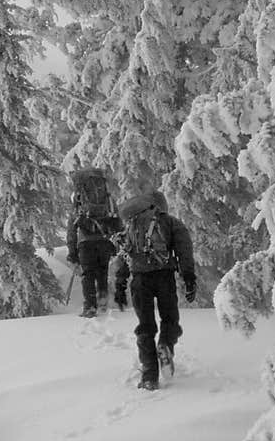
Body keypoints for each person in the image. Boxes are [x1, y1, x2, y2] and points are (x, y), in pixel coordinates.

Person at [113, 189, 197, 391]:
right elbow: (184, 251)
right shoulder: (171, 223)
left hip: (139, 280)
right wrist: (189, 278)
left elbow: (124, 256)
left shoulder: (132, 224)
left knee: (145, 326)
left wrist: (120, 284)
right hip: (164, 277)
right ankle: (166, 345)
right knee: (170, 319)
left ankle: (150, 376)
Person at [66, 166, 121, 318]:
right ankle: (102, 302)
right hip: (104, 241)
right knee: (102, 271)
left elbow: (72, 228)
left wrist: (72, 251)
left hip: (85, 242)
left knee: (88, 274)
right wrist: (116, 242)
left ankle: (90, 306)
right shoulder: (108, 199)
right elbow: (117, 221)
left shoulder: (78, 200)